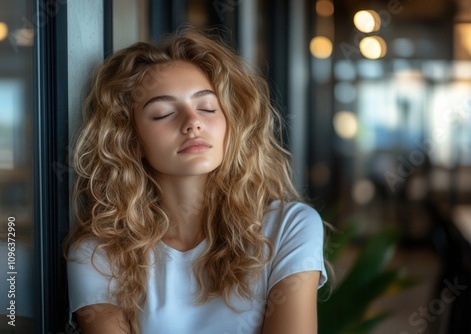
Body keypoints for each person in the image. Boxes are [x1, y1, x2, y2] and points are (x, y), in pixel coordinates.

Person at [64, 28, 328, 334]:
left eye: (207, 107)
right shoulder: (97, 253)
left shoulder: (288, 227)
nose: (193, 122)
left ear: (231, 122)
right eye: (163, 113)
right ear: (130, 140)